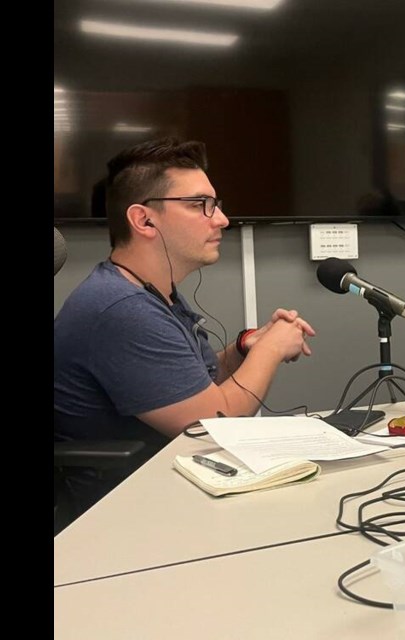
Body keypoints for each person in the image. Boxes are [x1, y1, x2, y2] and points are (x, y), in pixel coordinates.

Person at [54, 137, 316, 512]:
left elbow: (192, 387)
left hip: (169, 486)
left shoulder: (150, 293)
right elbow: (214, 420)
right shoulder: (121, 309)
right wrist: (272, 350)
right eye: (200, 206)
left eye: (216, 205)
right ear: (143, 219)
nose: (222, 220)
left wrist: (246, 348)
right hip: (121, 510)